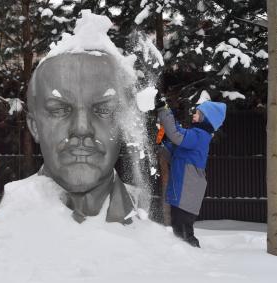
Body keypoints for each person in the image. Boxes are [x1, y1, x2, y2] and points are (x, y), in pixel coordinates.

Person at [26, 52, 138, 224]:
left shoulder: (155, 237)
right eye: (59, 110)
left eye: (104, 110)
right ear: (34, 126)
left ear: (124, 124)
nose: (82, 128)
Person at [157, 100, 226, 247]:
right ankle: (184, 259)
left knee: (183, 232)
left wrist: (164, 111)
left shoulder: (199, 135)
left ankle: (193, 259)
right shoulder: (195, 136)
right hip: (183, 190)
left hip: (188, 190)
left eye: (198, 113)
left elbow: (176, 135)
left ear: (206, 118)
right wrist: (162, 139)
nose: (194, 115)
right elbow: (173, 153)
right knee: (179, 230)